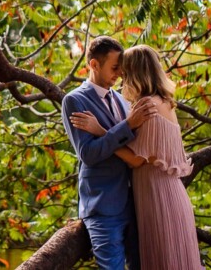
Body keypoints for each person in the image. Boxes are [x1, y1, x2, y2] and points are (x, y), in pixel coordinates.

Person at [70, 45, 203, 270]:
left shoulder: (145, 105)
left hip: (156, 196)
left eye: (124, 71)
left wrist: (100, 130)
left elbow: (135, 159)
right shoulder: (165, 101)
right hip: (163, 194)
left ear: (136, 72)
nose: (121, 76)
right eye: (117, 69)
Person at [61, 36, 157, 270]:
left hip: (135, 202)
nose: (120, 74)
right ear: (94, 65)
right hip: (103, 207)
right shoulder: (74, 100)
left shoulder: (123, 100)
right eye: (115, 68)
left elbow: (132, 145)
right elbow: (89, 154)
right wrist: (127, 126)